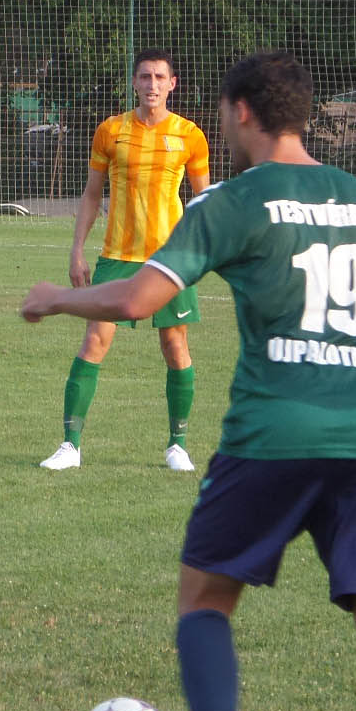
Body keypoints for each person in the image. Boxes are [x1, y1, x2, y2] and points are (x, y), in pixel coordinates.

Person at [21, 50, 356, 711]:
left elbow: (138, 298)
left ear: (240, 112)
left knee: (205, 599)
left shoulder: (233, 202)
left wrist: (57, 297)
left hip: (271, 434)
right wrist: (350, 400)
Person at [40, 49, 211, 473]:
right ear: (134, 82)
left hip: (170, 261)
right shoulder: (110, 131)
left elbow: (204, 202)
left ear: (172, 84)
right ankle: (70, 445)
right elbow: (91, 195)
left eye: (160, 77)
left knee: (175, 346)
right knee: (94, 342)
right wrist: (77, 249)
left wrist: (199, 252)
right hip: (117, 257)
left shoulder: (190, 135)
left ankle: (177, 446)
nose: (152, 84)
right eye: (145, 77)